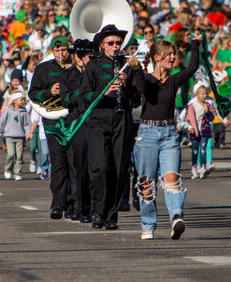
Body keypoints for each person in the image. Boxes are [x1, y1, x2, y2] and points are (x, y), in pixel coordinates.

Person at [132, 33, 201, 240]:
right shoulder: (144, 77)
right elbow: (145, 90)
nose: (173, 58)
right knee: (147, 184)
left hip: (170, 134)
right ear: (157, 57)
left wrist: (195, 44)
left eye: (174, 54)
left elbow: (193, 68)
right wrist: (136, 70)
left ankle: (176, 217)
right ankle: (148, 224)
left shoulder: (174, 80)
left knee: (171, 179)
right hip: (147, 134)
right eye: (169, 54)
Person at [78, 24, 139, 230]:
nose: (115, 46)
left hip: (122, 119)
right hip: (98, 119)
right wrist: (103, 92)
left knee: (120, 169)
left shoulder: (127, 65)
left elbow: (137, 100)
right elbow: (83, 96)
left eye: (118, 43)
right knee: (100, 168)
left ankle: (112, 216)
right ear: (103, 45)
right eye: (111, 43)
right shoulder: (93, 66)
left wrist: (128, 83)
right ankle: (98, 212)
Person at [28, 35, 74, 219]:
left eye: (63, 50)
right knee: (58, 162)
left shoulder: (76, 68)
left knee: (74, 162)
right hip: (54, 121)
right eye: (57, 51)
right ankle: (57, 204)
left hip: (73, 120)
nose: (61, 54)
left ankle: (72, 204)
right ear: (52, 51)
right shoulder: (43, 69)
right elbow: (32, 93)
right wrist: (49, 91)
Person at [59, 39, 93, 220]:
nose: (82, 58)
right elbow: (66, 100)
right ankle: (77, 206)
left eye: (86, 55)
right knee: (77, 167)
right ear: (74, 56)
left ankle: (91, 207)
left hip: (94, 121)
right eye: (79, 55)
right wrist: (84, 91)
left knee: (94, 167)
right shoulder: (67, 75)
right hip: (75, 123)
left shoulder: (94, 72)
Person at [0, 91, 31, 181]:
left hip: (20, 137)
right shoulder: (8, 111)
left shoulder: (24, 112)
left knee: (19, 156)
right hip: (9, 136)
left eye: (24, 100)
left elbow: (27, 124)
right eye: (21, 99)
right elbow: (1, 121)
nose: (23, 101)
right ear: (14, 101)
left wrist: (28, 133)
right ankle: (8, 169)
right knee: (10, 154)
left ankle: (17, 173)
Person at [185, 84, 217, 179]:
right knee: (195, 151)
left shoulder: (208, 106)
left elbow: (211, 118)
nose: (204, 96)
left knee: (203, 150)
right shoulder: (192, 106)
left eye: (205, 94)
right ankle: (194, 167)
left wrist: (207, 111)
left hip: (204, 131)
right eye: (202, 94)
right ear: (197, 95)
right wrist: (189, 128)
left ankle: (203, 168)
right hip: (194, 132)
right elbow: (188, 119)